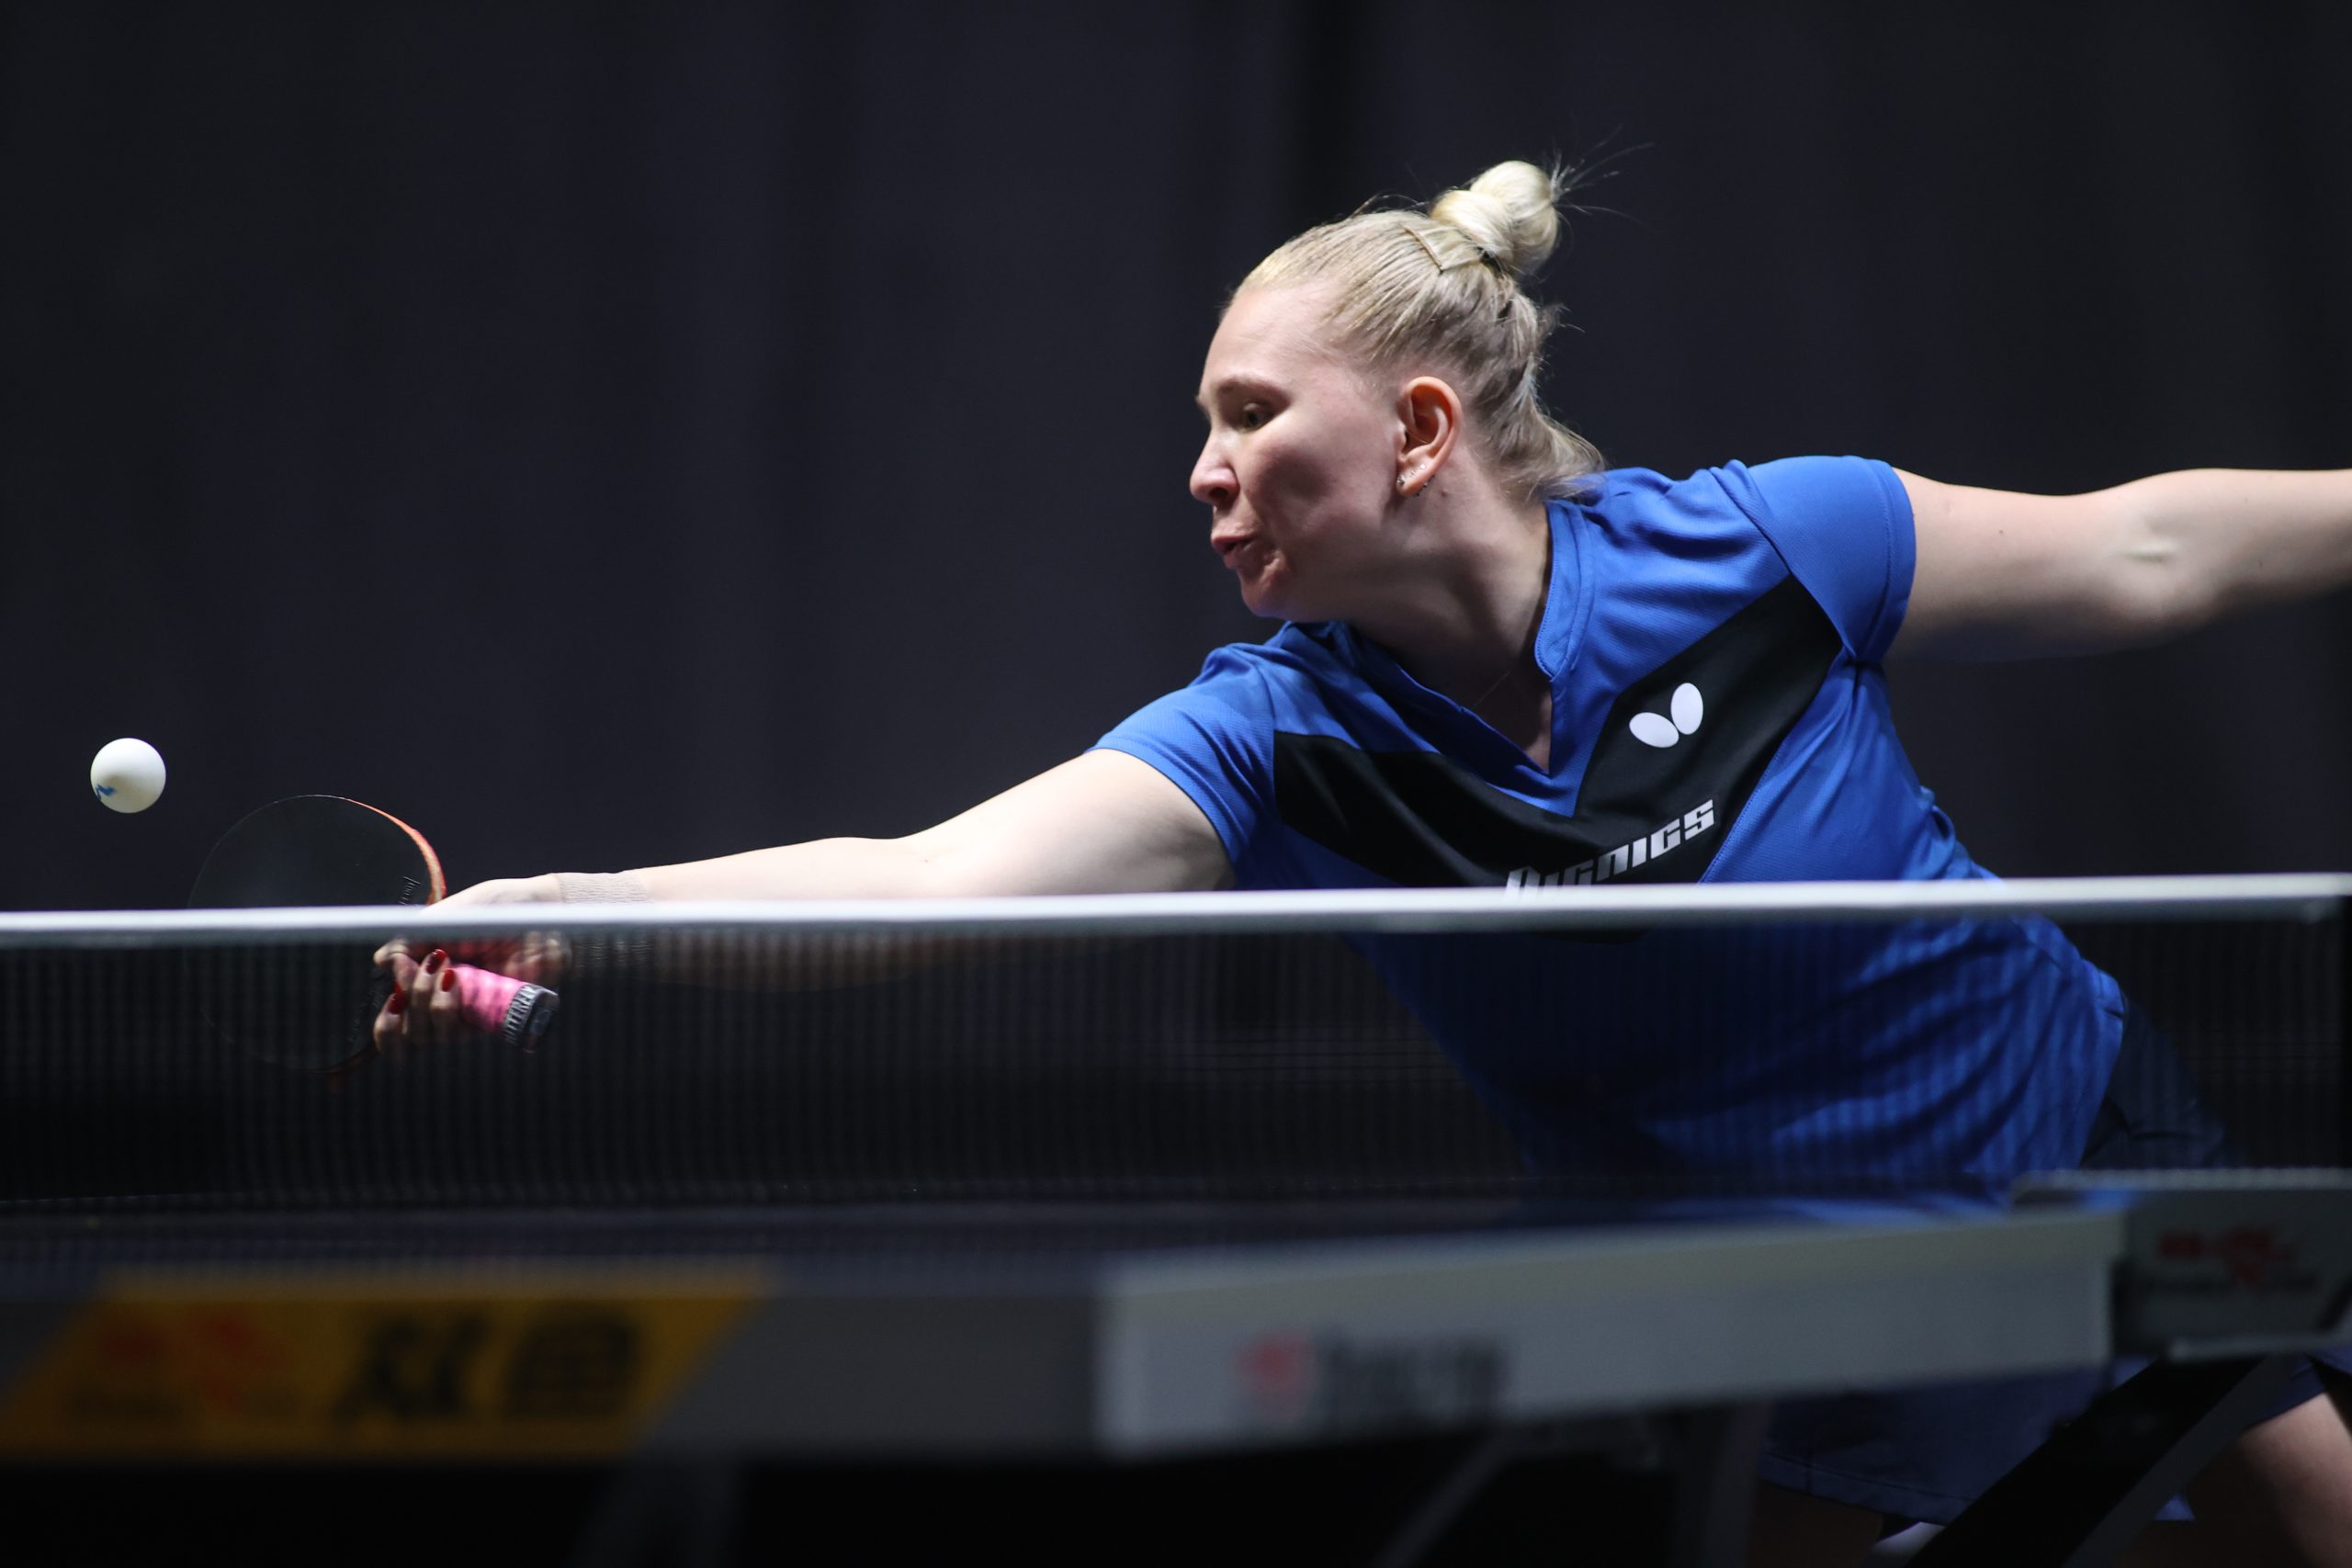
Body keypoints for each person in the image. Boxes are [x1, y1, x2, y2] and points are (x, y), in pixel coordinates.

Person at [377, 162, 2352, 1565]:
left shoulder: (1769, 546)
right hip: (1771, 1287)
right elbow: (929, 883)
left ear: (1416, 427)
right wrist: (573, 913)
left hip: (2076, 1140)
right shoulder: (1278, 736)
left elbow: (2145, 549)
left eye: (1248, 415)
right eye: (1202, 424)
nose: (1201, 467)